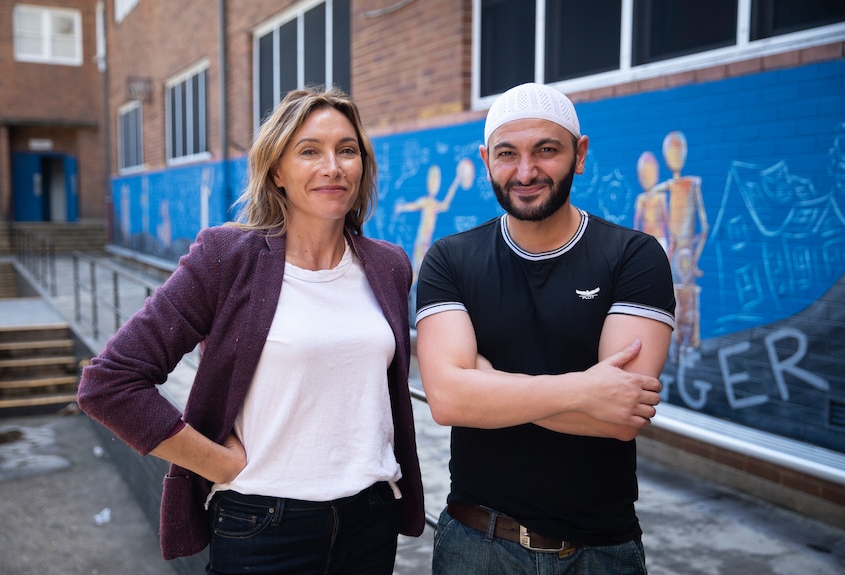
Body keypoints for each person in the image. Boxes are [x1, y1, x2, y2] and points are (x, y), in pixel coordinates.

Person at [78, 86, 425, 574]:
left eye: (347, 150)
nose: (333, 166)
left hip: (371, 519)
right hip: (263, 523)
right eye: (309, 151)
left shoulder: (388, 265)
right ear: (277, 171)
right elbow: (109, 383)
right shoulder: (226, 258)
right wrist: (216, 464)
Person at [415, 82, 676, 574]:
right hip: (477, 543)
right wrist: (585, 389)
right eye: (507, 154)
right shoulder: (451, 259)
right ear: (486, 159)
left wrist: (487, 385)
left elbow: (619, 417)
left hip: (601, 550)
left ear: (579, 154)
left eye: (546, 150)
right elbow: (449, 401)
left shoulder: (633, 256)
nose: (526, 171)